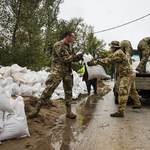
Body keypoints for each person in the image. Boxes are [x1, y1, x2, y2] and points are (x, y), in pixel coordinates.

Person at [28, 30, 83, 119]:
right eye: (73, 37)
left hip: (67, 72)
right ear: (68, 37)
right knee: (49, 90)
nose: (74, 38)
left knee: (69, 91)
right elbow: (64, 58)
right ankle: (36, 110)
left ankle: (69, 112)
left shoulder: (71, 47)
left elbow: (72, 58)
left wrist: (80, 57)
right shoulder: (58, 45)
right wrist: (75, 57)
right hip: (57, 71)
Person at [87, 41, 142, 117]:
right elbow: (110, 59)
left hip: (127, 75)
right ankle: (137, 104)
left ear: (114, 47)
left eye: (111, 47)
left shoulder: (118, 53)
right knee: (132, 90)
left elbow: (106, 61)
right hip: (130, 74)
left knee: (122, 92)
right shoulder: (117, 53)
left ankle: (120, 112)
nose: (110, 48)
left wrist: (94, 62)